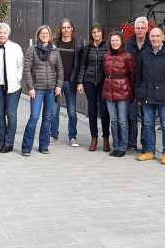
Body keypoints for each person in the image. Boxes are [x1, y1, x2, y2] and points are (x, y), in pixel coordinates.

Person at [135, 27, 165, 165]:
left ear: (163, 37)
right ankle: (150, 151)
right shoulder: (144, 54)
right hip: (147, 95)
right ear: (150, 37)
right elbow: (139, 77)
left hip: (164, 97)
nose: (155, 39)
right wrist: (139, 95)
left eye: (157, 36)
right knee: (148, 124)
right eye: (153, 36)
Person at [22, 25, 63, 156]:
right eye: (42, 33)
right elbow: (27, 69)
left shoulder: (55, 51)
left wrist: (59, 85)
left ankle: (43, 145)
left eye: (47, 33)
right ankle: (26, 147)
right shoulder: (31, 50)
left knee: (47, 118)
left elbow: (60, 69)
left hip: (51, 89)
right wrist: (31, 87)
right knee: (34, 117)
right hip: (37, 89)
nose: (44, 35)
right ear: (38, 35)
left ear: (50, 35)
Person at [0, 22, 24, 153]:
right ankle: (2, 142)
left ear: (8, 34)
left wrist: (17, 78)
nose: (2, 34)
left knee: (11, 114)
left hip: (13, 87)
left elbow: (22, 64)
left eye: (4, 32)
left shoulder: (15, 47)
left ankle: (9, 143)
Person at [77, 23, 110, 152]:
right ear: (91, 34)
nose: (96, 34)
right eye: (94, 32)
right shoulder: (87, 48)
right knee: (91, 111)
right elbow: (83, 65)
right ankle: (94, 138)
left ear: (102, 33)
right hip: (89, 81)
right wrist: (80, 82)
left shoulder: (107, 47)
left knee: (104, 111)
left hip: (103, 82)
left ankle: (106, 138)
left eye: (98, 32)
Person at [102, 31, 136, 157]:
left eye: (117, 40)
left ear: (121, 41)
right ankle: (115, 145)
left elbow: (132, 75)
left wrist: (132, 91)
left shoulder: (128, 56)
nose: (114, 43)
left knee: (122, 120)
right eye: (112, 41)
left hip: (123, 90)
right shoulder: (106, 56)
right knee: (114, 120)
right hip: (109, 89)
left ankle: (123, 146)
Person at [50, 19, 81, 147]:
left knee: (72, 112)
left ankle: (72, 136)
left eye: (68, 27)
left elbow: (79, 65)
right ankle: (53, 135)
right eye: (64, 27)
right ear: (60, 29)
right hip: (56, 82)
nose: (66, 30)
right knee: (54, 111)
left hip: (70, 81)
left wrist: (79, 82)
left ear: (72, 29)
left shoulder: (77, 44)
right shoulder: (54, 43)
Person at [125, 16, 151, 152]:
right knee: (131, 116)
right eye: (137, 28)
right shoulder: (129, 44)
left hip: (147, 86)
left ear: (147, 29)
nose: (140, 30)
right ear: (134, 29)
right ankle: (131, 143)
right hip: (131, 85)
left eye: (142, 28)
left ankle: (145, 144)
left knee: (146, 117)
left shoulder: (151, 43)